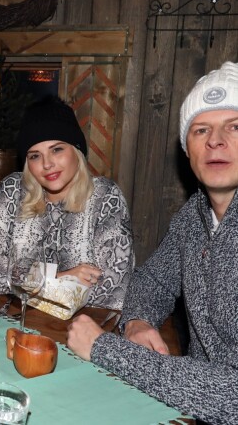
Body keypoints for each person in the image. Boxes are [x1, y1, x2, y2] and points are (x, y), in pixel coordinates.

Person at [67, 61, 238, 424]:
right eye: (201, 129)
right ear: (187, 149)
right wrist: (138, 320)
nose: (216, 141)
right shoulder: (194, 216)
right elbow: (152, 280)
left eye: (234, 127)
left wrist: (106, 350)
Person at [0, 95, 134, 309]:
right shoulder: (13, 190)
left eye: (57, 149)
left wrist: (21, 281)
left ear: (77, 150)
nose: (47, 164)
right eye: (35, 156)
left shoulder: (104, 197)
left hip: (77, 330)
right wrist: (58, 278)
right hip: (14, 319)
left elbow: (114, 290)